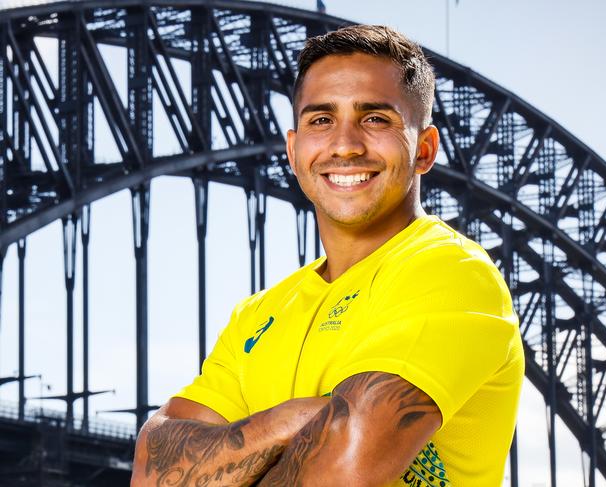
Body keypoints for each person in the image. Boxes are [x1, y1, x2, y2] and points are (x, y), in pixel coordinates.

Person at [131, 24, 524, 487]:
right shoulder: (258, 315)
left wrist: (242, 460)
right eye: (321, 120)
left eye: (376, 119)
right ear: (294, 151)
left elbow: (343, 473)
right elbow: (151, 470)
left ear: (424, 148)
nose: (345, 145)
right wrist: (292, 422)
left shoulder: (451, 273)